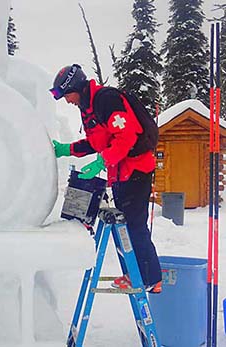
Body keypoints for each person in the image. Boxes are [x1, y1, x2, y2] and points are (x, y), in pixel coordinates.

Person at [50, 63, 162, 293]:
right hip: (121, 173)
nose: (67, 101)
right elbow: (95, 143)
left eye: (67, 95)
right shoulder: (88, 108)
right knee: (127, 225)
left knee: (135, 225)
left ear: (77, 87)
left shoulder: (106, 100)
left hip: (136, 170)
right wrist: (66, 149)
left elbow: (127, 136)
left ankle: (150, 278)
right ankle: (133, 274)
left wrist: (103, 160)